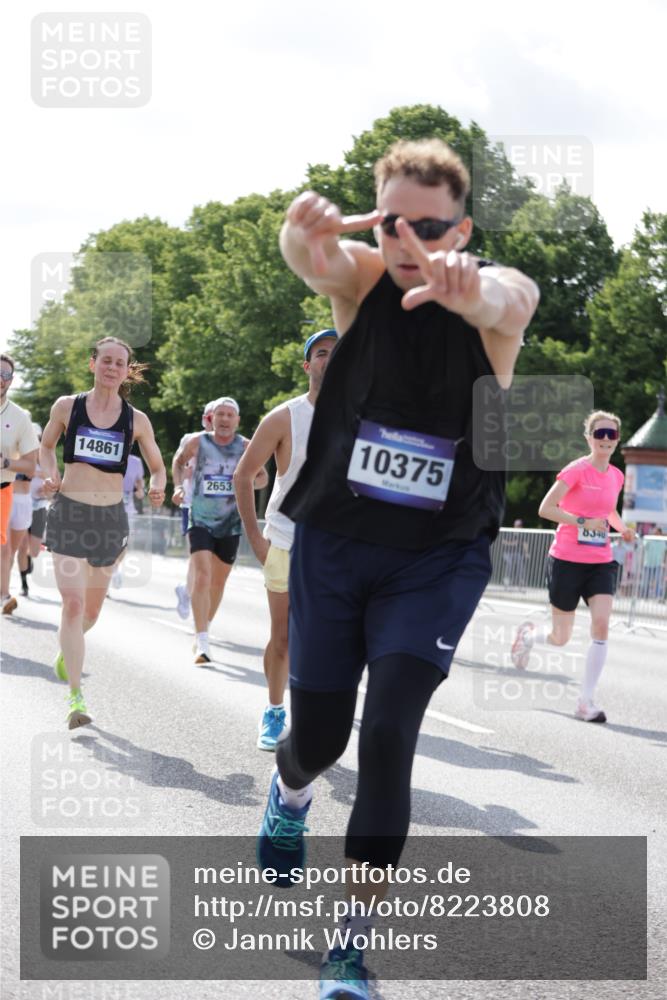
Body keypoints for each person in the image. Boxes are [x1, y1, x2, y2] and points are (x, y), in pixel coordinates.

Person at [254, 138, 539, 999]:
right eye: (393, 221)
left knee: (387, 739)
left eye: (432, 225)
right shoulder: (363, 281)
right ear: (375, 219)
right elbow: (315, 261)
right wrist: (294, 235)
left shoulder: (498, 296)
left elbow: (508, 296)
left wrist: (472, 287)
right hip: (338, 546)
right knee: (321, 739)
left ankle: (349, 947)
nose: (412, 238)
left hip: (439, 558)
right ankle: (290, 792)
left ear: (462, 225)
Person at [40, 336, 166, 729]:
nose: (112, 367)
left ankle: (68, 649)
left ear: (127, 371)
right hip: (69, 513)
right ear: (92, 363)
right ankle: (75, 696)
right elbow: (46, 447)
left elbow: (158, 465)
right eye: (106, 360)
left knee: (91, 612)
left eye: (119, 363)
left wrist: (160, 484)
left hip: (110, 520)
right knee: (73, 605)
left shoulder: (137, 420)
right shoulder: (67, 406)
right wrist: (50, 473)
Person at [233, 329, 338, 750]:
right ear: (307, 365)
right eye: (322, 354)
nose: (330, 360)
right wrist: (256, 537)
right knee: (283, 638)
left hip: (337, 548)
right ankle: (275, 711)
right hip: (287, 538)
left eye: (338, 354)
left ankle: (317, 712)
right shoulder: (284, 417)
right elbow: (243, 475)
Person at [511, 410, 635, 723]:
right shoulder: (576, 470)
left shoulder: (616, 475)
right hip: (566, 559)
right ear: (589, 438)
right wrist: (581, 521)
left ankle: (585, 701)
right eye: (600, 434)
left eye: (611, 435)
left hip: (600, 562)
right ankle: (528, 637)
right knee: (561, 637)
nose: (606, 440)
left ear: (618, 440)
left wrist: (622, 528)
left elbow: (607, 512)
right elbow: (546, 509)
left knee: (602, 625)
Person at [171, 397, 268, 665]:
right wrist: (178, 487)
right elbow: (178, 463)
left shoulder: (246, 446)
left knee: (218, 582)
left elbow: (262, 477)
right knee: (202, 576)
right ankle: (202, 640)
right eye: (220, 414)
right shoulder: (198, 442)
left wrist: (244, 483)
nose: (224, 419)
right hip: (199, 517)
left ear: (237, 420)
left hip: (230, 523)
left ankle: (205, 626)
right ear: (212, 418)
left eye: (230, 415)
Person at [0, 353, 39, 614]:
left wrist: (6, 463)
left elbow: (30, 465)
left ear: (11, 381)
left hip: (3, 491)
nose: (0, 379)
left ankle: (4, 594)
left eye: (5, 375)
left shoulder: (20, 417)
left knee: (4, 548)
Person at [172, 400, 216, 621]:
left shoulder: (233, 444)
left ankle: (186, 591)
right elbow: (177, 461)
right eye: (209, 417)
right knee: (198, 557)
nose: (213, 421)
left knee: (211, 560)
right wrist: (179, 485)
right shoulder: (192, 439)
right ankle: (192, 597)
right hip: (192, 505)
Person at [17, 431, 49, 598]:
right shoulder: (22, 461)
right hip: (23, 506)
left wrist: (46, 491)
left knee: (34, 551)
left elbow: (52, 488)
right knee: (22, 546)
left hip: (39, 507)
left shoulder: (46, 464)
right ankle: (24, 585)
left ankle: (29, 559)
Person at [110, 450, 145, 588]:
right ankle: (105, 576)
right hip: (107, 506)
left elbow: (140, 490)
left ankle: (114, 567)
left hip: (127, 508)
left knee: (124, 543)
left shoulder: (136, 462)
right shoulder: (109, 456)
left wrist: (141, 490)